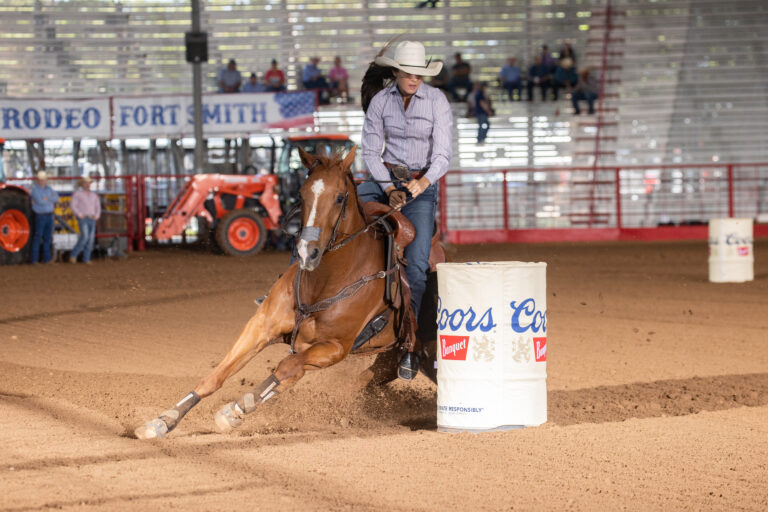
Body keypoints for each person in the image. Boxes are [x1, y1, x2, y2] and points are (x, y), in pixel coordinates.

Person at [359, 40, 453, 379]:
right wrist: (387, 188)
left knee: (415, 266)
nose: (414, 79)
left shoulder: (437, 102)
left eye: (419, 74)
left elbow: (442, 155)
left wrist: (420, 185)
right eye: (409, 73)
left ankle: (410, 345)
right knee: (334, 211)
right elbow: (370, 152)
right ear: (396, 72)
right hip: (386, 179)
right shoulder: (380, 103)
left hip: (421, 188)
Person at [69, 176, 101, 264]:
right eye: (86, 183)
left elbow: (97, 207)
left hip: (92, 218)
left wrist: (97, 215)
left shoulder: (94, 195)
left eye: (89, 183)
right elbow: (73, 206)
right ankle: (75, 255)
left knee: (90, 239)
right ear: (82, 184)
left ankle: (85, 258)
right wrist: (79, 214)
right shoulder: (78, 194)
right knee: (85, 237)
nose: (87, 184)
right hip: (83, 218)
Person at [29, 170, 59, 264]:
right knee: (38, 237)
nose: (43, 181)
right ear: (38, 180)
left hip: (48, 215)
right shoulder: (35, 190)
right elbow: (40, 201)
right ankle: (35, 259)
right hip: (41, 215)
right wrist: (50, 199)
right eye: (41, 179)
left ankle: (46, 259)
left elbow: (56, 198)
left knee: (47, 237)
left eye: (44, 179)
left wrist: (47, 199)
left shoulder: (49, 189)